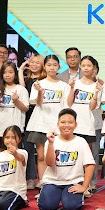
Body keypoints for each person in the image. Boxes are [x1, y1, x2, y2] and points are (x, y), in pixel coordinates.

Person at [37, 108, 96, 210]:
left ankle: (68, 197)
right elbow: (49, 163)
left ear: (75, 125)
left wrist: (84, 186)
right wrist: (51, 143)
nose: (66, 125)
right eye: (63, 122)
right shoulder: (51, 141)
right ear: (58, 124)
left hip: (73, 182)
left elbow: (90, 165)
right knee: (46, 207)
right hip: (52, 182)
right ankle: (53, 195)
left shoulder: (81, 141)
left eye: (70, 122)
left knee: (71, 207)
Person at [26, 55, 70, 184]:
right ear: (44, 67)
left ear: (59, 67)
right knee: (41, 156)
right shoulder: (38, 84)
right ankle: (43, 183)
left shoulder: (64, 86)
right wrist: (40, 91)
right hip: (40, 123)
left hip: (57, 126)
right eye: (49, 65)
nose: (52, 67)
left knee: (55, 156)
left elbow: (66, 106)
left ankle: (56, 182)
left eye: (54, 65)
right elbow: (37, 103)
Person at [67, 55, 101, 197]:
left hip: (88, 126)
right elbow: (69, 103)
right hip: (75, 125)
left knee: (88, 157)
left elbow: (93, 107)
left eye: (89, 66)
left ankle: (87, 185)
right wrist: (71, 88)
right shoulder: (75, 83)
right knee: (75, 156)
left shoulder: (97, 86)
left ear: (94, 68)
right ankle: (75, 182)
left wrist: (96, 93)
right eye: (84, 65)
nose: (86, 68)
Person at [0, 62, 29, 155]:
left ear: (15, 73)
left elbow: (25, 108)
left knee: (14, 155)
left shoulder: (21, 89)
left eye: (10, 72)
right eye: (5, 72)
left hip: (15, 128)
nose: (7, 75)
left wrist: (16, 101)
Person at [19, 54, 45, 190]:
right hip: (27, 117)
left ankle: (45, 178)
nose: (34, 65)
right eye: (32, 62)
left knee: (43, 153)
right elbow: (22, 91)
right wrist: (20, 70)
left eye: (37, 62)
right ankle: (30, 178)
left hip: (42, 117)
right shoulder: (27, 79)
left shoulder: (45, 80)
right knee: (28, 149)